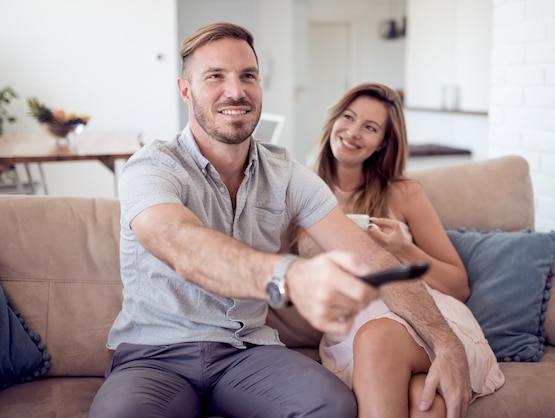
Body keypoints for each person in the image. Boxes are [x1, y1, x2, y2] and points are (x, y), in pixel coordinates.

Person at [89, 22, 471, 418]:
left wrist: (445, 342)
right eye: (215, 76)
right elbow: (179, 242)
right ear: (186, 90)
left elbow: (373, 257)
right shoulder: (153, 166)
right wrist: (290, 276)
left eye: (247, 76)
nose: (235, 91)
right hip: (155, 353)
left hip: (246, 354)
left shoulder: (286, 174)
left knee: (332, 406)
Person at [295, 83, 505, 417]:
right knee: (426, 400)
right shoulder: (298, 191)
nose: (352, 132)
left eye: (370, 127)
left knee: (378, 337)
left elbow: (458, 285)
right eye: (348, 117)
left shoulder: (403, 193)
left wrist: (403, 249)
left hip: (427, 318)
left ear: (383, 144)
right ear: (334, 119)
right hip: (351, 336)